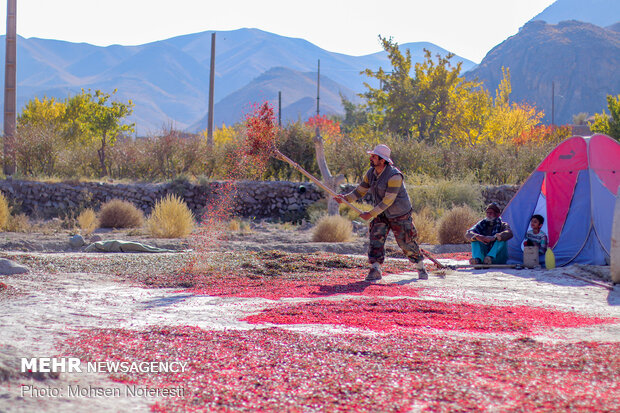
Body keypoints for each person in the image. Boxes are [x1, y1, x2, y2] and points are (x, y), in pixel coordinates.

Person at [334, 144, 428, 282]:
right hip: (381, 214)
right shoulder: (370, 173)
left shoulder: (395, 176)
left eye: (374, 156)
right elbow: (360, 191)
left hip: (399, 214)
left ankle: (420, 267)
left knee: (406, 243)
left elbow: (388, 201)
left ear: (382, 160)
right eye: (371, 155)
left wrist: (370, 214)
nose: (371, 158)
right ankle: (375, 269)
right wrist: (346, 199)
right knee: (375, 239)